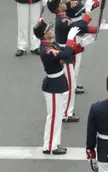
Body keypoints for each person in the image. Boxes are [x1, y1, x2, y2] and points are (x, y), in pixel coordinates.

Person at [34, 18, 93, 155]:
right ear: (44, 35)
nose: (52, 30)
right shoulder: (47, 49)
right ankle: (49, 146)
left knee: (56, 115)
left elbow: (67, 54)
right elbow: (65, 54)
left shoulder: (51, 44)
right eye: (50, 30)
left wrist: (80, 46)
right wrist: (71, 39)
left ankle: (53, 144)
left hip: (57, 83)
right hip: (53, 85)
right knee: (54, 116)